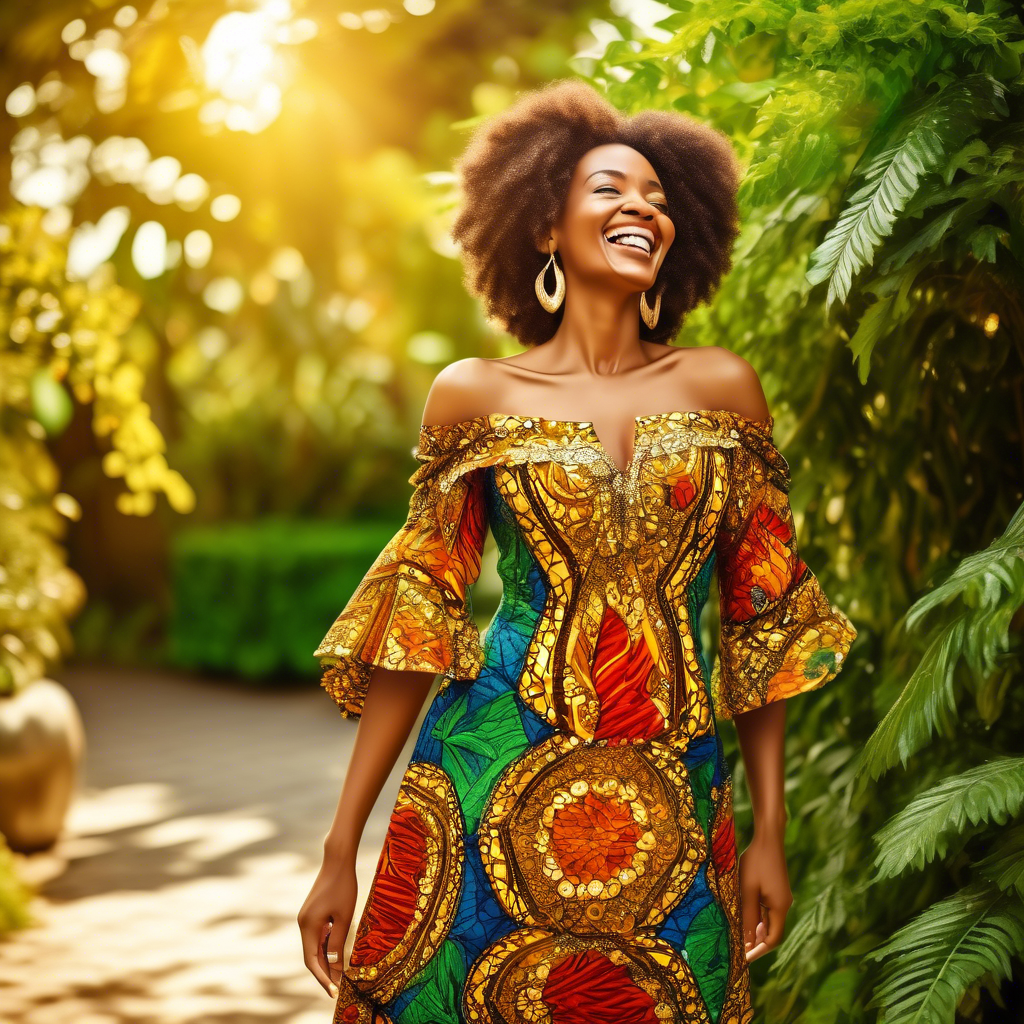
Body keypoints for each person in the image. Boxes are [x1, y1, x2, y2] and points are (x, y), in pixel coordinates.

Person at [298, 78, 856, 1024]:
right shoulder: (476, 394)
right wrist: (340, 844)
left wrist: (772, 828)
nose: (643, 207)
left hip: (679, 792)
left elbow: (761, 622)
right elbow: (417, 621)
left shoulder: (725, 388)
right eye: (611, 189)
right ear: (545, 225)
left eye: (660, 198)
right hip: (489, 772)